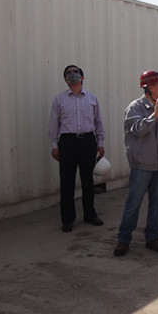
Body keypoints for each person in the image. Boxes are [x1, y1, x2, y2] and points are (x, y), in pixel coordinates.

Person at [114, 70, 158, 256]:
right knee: (134, 204)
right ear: (150, 87)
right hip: (141, 166)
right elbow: (138, 130)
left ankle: (152, 237)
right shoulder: (135, 108)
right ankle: (123, 240)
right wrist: (154, 115)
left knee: (157, 204)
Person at [48, 65, 105, 233]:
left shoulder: (92, 98)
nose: (72, 74)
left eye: (76, 72)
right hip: (68, 142)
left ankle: (90, 214)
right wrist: (54, 146)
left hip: (87, 140)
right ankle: (67, 219)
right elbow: (53, 125)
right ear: (65, 79)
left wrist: (100, 142)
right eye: (69, 73)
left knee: (88, 180)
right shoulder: (59, 100)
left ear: (82, 77)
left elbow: (98, 122)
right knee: (67, 182)